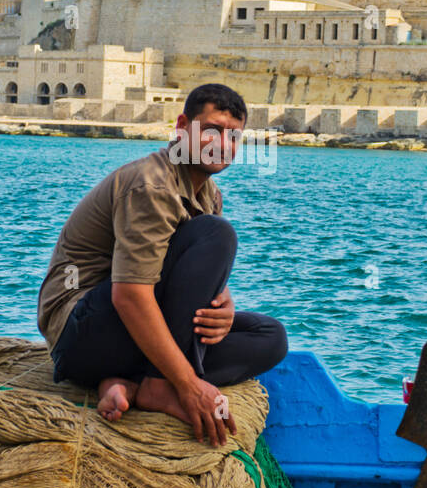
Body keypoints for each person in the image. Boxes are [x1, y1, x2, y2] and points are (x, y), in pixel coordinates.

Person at [37, 83, 287, 446]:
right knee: (217, 234)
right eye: (212, 130)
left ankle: (129, 383)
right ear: (183, 127)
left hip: (125, 334)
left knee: (270, 338)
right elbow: (130, 296)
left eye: (234, 136)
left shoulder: (207, 193)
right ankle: (158, 385)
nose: (223, 144)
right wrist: (188, 385)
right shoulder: (151, 185)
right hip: (81, 331)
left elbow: (185, 269)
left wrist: (223, 305)